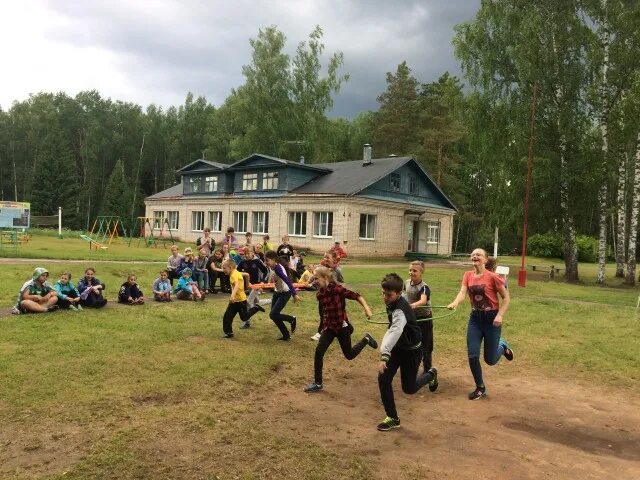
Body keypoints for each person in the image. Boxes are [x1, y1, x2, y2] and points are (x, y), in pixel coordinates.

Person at [447, 248, 513, 400]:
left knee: (490, 360)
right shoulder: (468, 275)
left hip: (492, 320)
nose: (475, 256)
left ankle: (502, 346)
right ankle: (480, 387)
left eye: (479, 255)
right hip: (475, 319)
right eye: (473, 254)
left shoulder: (493, 277)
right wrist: (455, 302)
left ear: (485, 259)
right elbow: (463, 292)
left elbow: (506, 298)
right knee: (472, 355)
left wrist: (500, 315)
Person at [376, 273, 438, 432]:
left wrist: (384, 354)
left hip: (411, 351)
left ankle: (431, 373)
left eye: (388, 295)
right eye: (383, 293)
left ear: (398, 293)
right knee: (383, 379)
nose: (385, 297)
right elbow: (394, 331)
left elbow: (395, 331)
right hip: (398, 348)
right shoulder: (394, 300)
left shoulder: (400, 311)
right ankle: (392, 418)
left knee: (409, 388)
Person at [303, 266, 378, 393]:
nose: (314, 281)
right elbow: (325, 312)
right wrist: (322, 328)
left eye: (316, 278)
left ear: (326, 278)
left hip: (341, 326)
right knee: (319, 351)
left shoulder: (338, 289)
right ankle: (318, 383)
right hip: (329, 327)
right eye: (313, 279)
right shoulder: (320, 294)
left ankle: (366, 339)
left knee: (349, 355)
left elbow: (357, 296)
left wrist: (367, 309)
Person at [404, 261, 438, 391]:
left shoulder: (424, 287)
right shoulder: (407, 283)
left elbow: (423, 300)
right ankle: (411, 369)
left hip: (425, 319)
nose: (412, 272)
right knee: (412, 344)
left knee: (426, 346)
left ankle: (428, 370)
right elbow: (403, 294)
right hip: (412, 319)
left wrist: (413, 305)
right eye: (410, 270)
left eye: (415, 271)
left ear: (421, 272)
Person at [265, 250, 301, 341]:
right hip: (277, 292)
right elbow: (272, 279)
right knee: (273, 315)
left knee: (273, 314)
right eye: (265, 260)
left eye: (267, 260)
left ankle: (291, 319)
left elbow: (288, 281)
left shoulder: (278, 269)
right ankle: (286, 335)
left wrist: (294, 294)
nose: (266, 262)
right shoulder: (272, 266)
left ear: (274, 260)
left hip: (285, 293)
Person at [221, 259, 262, 337]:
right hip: (235, 301)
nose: (223, 270)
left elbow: (236, 285)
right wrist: (247, 285)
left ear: (230, 267)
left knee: (244, 317)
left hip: (240, 300)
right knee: (227, 316)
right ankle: (229, 332)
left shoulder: (233, 275)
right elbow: (246, 274)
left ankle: (256, 308)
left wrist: (232, 296)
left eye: (224, 268)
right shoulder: (237, 272)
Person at [237, 246, 269, 313]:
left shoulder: (257, 261)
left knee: (249, 302)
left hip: (256, 285)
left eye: (248, 253)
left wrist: (262, 281)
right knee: (257, 302)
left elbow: (266, 271)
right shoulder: (242, 262)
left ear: (252, 253)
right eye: (245, 254)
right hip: (248, 285)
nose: (246, 255)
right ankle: (272, 300)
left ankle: (247, 322)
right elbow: (237, 272)